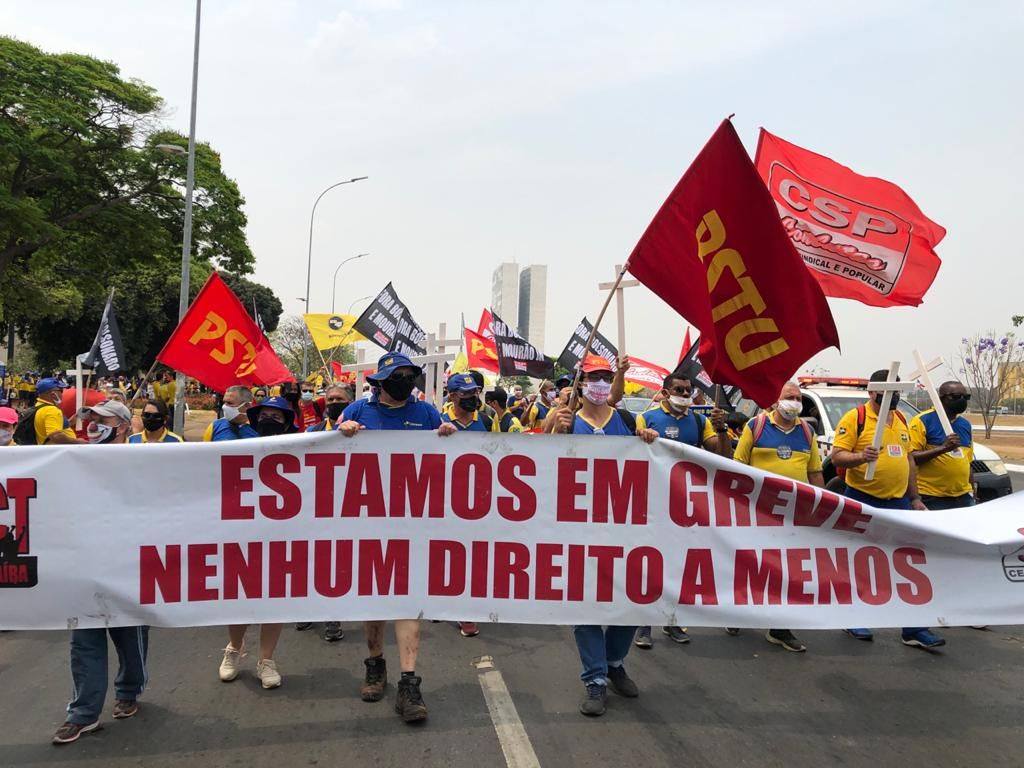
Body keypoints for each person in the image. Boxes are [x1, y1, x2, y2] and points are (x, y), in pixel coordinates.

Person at [336, 352, 459, 723]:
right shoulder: (357, 411)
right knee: (374, 601)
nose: (405, 381)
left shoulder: (427, 414)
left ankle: (409, 682)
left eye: (409, 375)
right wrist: (342, 433)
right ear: (381, 380)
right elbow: (327, 454)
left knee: (407, 600)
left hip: (412, 525)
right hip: (367, 524)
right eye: (397, 375)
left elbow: (448, 458)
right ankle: (376, 665)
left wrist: (448, 438)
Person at [548, 354, 658, 717]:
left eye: (606, 378)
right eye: (593, 377)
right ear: (580, 383)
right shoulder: (566, 421)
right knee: (586, 609)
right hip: (578, 530)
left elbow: (646, 465)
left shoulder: (626, 420)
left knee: (632, 601)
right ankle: (595, 679)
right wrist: (556, 432)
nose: (600, 384)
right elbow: (544, 466)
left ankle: (614, 663)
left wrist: (647, 440)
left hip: (624, 529)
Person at [52, 401, 149, 745]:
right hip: (83, 565)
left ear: (121, 425)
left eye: (101, 419)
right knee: (84, 642)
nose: (92, 424)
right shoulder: (73, 460)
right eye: (89, 419)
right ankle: (83, 714)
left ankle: (129, 691)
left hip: (127, 565)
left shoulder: (145, 460)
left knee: (130, 637)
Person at [831, 369, 943, 649]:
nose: (893, 397)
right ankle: (854, 617)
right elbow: (837, 457)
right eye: (888, 391)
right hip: (863, 499)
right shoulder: (856, 418)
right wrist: (861, 456)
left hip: (898, 503)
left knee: (907, 563)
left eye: (897, 392)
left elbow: (909, 461)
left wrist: (915, 498)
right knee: (860, 560)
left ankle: (914, 628)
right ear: (873, 392)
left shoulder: (902, 419)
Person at [632, 371, 730, 649]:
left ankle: (671, 620)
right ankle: (644, 624)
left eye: (689, 390)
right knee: (650, 563)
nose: (686, 395)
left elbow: (723, 456)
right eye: (679, 390)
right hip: (652, 504)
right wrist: (642, 436)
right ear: (665, 392)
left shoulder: (700, 422)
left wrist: (722, 430)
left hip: (685, 506)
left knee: (677, 565)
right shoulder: (646, 419)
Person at [729, 381, 823, 653]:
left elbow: (815, 472)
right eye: (790, 397)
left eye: (799, 398)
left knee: (786, 569)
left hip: (793, 515)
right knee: (752, 564)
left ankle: (779, 627)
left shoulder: (807, 432)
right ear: (776, 400)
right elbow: (738, 468)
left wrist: (824, 506)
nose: (795, 402)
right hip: (758, 512)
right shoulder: (756, 427)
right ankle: (737, 612)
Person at [218, 396, 296, 690]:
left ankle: (266, 659)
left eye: (276, 417)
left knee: (275, 599)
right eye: (264, 415)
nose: (269, 421)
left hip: (281, 534)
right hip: (242, 532)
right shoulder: (237, 443)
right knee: (240, 596)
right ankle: (234, 648)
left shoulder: (300, 448)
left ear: (287, 424)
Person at [909, 381, 976, 510]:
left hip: (964, 496)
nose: (962, 400)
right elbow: (912, 458)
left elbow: (968, 463)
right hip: (931, 496)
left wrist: (973, 491)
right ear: (941, 399)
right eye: (956, 396)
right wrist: (943, 448)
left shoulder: (965, 424)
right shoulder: (923, 420)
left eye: (965, 397)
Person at [17, 377, 78, 445]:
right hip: (59, 450)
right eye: (61, 391)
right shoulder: (51, 410)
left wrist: (69, 422)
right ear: (53, 394)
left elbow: (47, 425)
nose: (62, 393)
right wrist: (78, 442)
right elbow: (56, 436)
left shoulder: (39, 405)